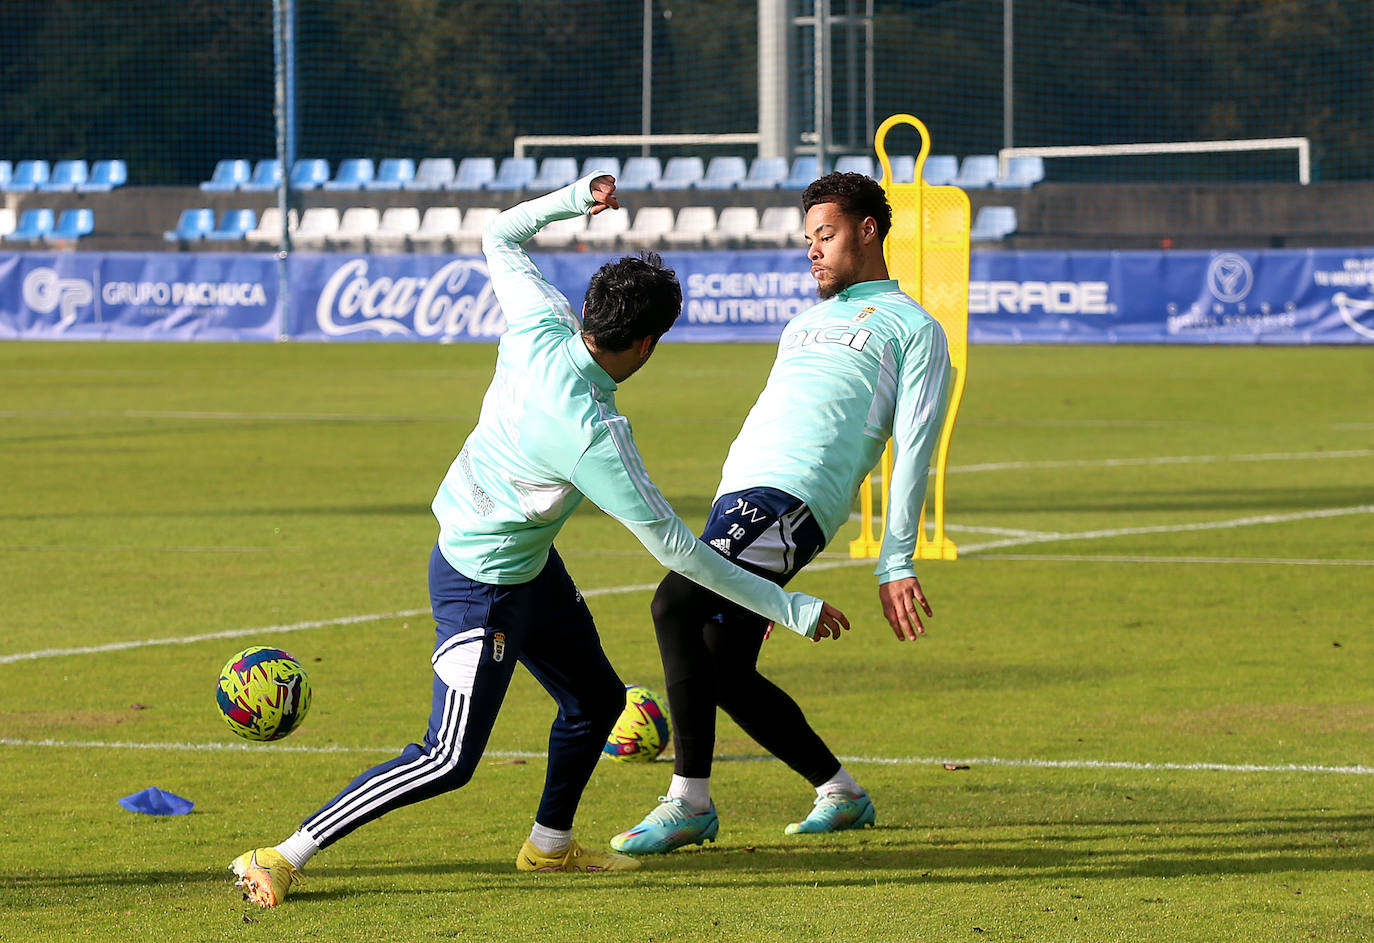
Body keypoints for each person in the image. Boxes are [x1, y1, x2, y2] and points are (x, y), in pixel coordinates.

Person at [229, 172, 850, 907]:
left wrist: (576, 201)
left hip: (527, 566)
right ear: (647, 345)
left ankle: (549, 845)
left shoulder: (541, 322)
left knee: (595, 699)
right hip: (479, 580)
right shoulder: (597, 434)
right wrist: (790, 605)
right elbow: (681, 552)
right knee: (448, 756)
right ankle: (281, 853)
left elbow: (500, 234)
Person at [610, 171, 952, 854]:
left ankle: (690, 800)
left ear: (867, 229)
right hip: (740, 495)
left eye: (825, 236)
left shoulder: (914, 328)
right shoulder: (803, 322)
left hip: (794, 502)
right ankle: (841, 791)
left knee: (673, 604)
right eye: (807, 240)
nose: (813, 251)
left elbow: (914, 447)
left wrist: (897, 558)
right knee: (723, 665)